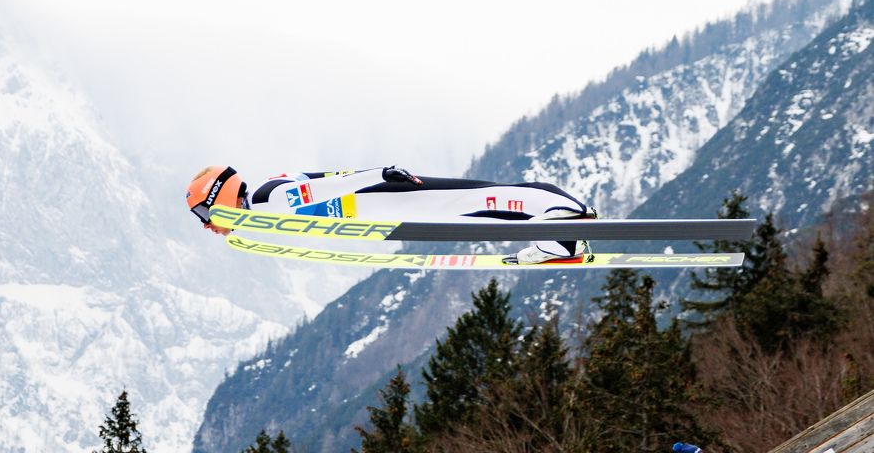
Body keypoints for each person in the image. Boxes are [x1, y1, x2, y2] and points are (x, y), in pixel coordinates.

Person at [184, 164, 596, 265]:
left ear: (220, 196)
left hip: (386, 198)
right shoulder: (263, 204)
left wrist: (380, 174)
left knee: (479, 198)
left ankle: (563, 214)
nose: (206, 225)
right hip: (381, 206)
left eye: (204, 212)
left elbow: (326, 187)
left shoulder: (266, 199)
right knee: (475, 209)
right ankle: (561, 239)